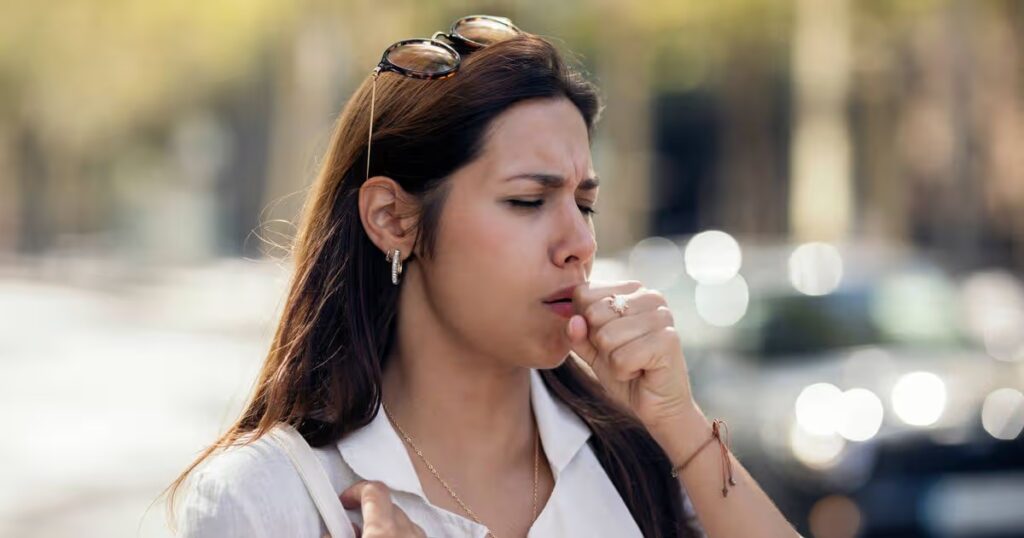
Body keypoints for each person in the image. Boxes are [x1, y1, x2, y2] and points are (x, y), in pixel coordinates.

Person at [166, 15, 800, 538]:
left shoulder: (637, 461)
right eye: (528, 201)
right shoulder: (267, 500)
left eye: (584, 204)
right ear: (392, 219)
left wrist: (681, 423)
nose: (579, 243)